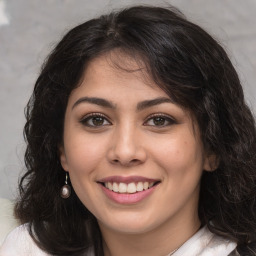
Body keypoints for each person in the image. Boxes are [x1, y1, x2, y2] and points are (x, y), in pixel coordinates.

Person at [0, 5, 256, 256]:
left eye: (159, 120)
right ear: (61, 149)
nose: (124, 151)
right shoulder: (27, 249)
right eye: (96, 120)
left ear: (213, 147)